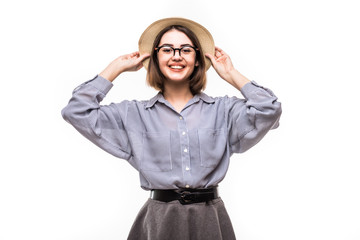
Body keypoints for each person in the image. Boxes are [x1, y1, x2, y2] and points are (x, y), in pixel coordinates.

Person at [62, 17, 282, 240]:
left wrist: (230, 73)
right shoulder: (133, 115)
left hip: (209, 220)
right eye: (167, 49)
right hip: (159, 220)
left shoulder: (223, 110)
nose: (176, 56)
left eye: (186, 50)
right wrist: (114, 69)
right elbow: (77, 111)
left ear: (197, 59)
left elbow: (269, 109)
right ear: (156, 58)